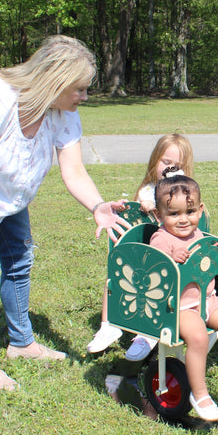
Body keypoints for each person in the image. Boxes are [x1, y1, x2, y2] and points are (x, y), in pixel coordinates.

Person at [0, 35, 131, 391]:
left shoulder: (61, 112)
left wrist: (98, 206)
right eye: (80, 89)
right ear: (55, 81)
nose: (84, 97)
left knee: (19, 262)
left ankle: (22, 344)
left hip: (10, 195)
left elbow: (73, 171)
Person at [148, 174, 218, 421]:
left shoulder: (199, 234)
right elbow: (155, 265)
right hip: (179, 306)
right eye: (174, 214)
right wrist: (169, 256)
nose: (183, 220)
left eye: (189, 211)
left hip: (207, 298)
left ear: (200, 210)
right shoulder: (162, 238)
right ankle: (198, 394)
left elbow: (210, 255)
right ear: (158, 216)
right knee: (198, 337)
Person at [86, 134, 195, 357]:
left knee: (158, 289)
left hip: (171, 259)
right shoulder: (149, 190)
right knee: (115, 278)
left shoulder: (186, 193)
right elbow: (141, 210)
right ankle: (109, 326)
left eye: (178, 166)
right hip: (145, 253)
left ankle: (147, 335)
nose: (171, 170)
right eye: (166, 163)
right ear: (155, 161)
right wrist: (144, 205)